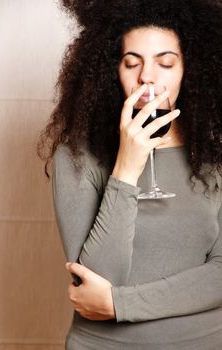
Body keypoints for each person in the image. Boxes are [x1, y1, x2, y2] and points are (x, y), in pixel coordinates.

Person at [38, 0, 222, 348]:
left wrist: (119, 304)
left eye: (165, 62)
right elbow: (96, 280)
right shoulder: (77, 157)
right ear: (112, 71)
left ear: (190, 69)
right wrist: (126, 167)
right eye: (131, 63)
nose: (147, 76)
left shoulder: (215, 156)